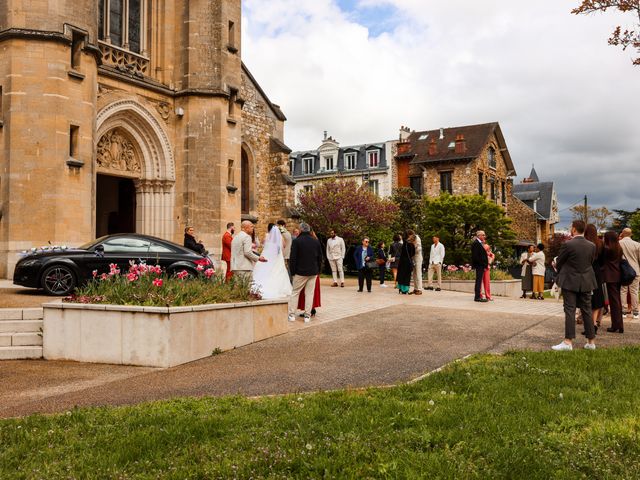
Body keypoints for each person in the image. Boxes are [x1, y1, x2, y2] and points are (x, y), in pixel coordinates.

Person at [551, 220, 597, 351]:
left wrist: (557, 265)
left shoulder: (568, 244)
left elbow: (559, 262)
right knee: (587, 310)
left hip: (570, 280)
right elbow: (591, 261)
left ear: (574, 229)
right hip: (587, 280)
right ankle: (591, 341)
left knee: (570, 310)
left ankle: (568, 342)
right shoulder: (592, 245)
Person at [288, 222, 323, 323]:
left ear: (301, 230)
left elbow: (293, 258)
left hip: (300, 272)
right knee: (309, 294)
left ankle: (291, 315)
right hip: (313, 272)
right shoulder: (315, 241)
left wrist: (293, 272)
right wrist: (318, 270)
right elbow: (320, 257)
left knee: (295, 293)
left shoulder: (297, 241)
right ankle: (307, 316)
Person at [252, 224, 292, 299]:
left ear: (268, 229)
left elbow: (263, 244)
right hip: (277, 256)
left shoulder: (267, 236)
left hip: (267, 255)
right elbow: (284, 245)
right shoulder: (280, 237)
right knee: (279, 270)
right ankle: (279, 287)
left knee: (264, 269)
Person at [603, 230, 624, 333]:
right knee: (617, 301)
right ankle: (619, 324)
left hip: (610, 276)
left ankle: (616, 325)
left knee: (613, 302)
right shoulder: (619, 248)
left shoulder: (607, 249)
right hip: (618, 275)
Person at [584, 224, 604, 331]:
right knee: (596, 299)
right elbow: (603, 261)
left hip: (586, 272)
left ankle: (588, 325)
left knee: (586, 299)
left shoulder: (584, 243)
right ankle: (594, 323)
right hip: (597, 272)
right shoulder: (600, 243)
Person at [298, 230, 322, 316]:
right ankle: (312, 308)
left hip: (307, 271)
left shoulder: (306, 242)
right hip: (315, 271)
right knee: (312, 291)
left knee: (307, 291)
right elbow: (320, 258)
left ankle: (309, 309)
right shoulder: (316, 242)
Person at [619, 228, 640, 320]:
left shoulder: (619, 243)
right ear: (631, 234)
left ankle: (623, 311)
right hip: (635, 270)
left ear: (622, 234)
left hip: (623, 270)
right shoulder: (637, 244)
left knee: (623, 290)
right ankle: (635, 312)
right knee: (634, 291)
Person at [471, 231, 489, 302]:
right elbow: (475, 256)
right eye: (483, 235)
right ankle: (477, 297)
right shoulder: (476, 243)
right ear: (479, 236)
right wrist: (482, 264)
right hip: (479, 266)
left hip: (481, 265)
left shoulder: (479, 243)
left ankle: (478, 296)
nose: (484, 236)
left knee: (479, 281)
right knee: (478, 281)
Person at [407, 229, 423, 294]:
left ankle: (420, 289)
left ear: (411, 234)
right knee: (414, 274)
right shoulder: (410, 239)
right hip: (413, 258)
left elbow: (419, 248)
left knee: (418, 273)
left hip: (418, 257)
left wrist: (414, 247)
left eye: (409, 236)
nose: (408, 237)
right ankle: (415, 288)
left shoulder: (417, 238)